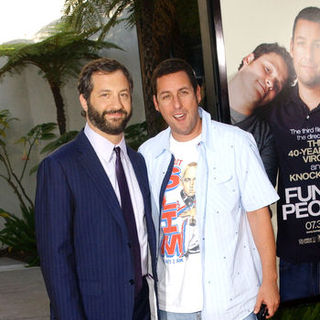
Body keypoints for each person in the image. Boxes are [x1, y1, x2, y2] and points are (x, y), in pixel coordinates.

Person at [139, 58, 280, 320]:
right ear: (157, 104)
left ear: (198, 93)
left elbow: (259, 215)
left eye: (183, 92)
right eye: (167, 97)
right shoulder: (148, 154)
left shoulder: (235, 143)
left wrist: (270, 281)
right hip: (171, 306)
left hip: (232, 303)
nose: (177, 105)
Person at [35, 58, 157, 320]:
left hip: (142, 309)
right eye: (105, 95)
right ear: (84, 100)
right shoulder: (60, 167)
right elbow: (56, 262)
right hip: (93, 312)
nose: (117, 104)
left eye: (123, 94)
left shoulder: (138, 162)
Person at [267, 7, 320, 302]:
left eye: (318, 44)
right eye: (302, 42)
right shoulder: (272, 110)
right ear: (291, 46)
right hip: (292, 260)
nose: (309, 54)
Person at [228, 43, 295, 185]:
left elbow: (260, 196)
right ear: (249, 59)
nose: (270, 83)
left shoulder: (266, 136)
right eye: (267, 69)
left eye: (276, 86)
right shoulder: (200, 109)